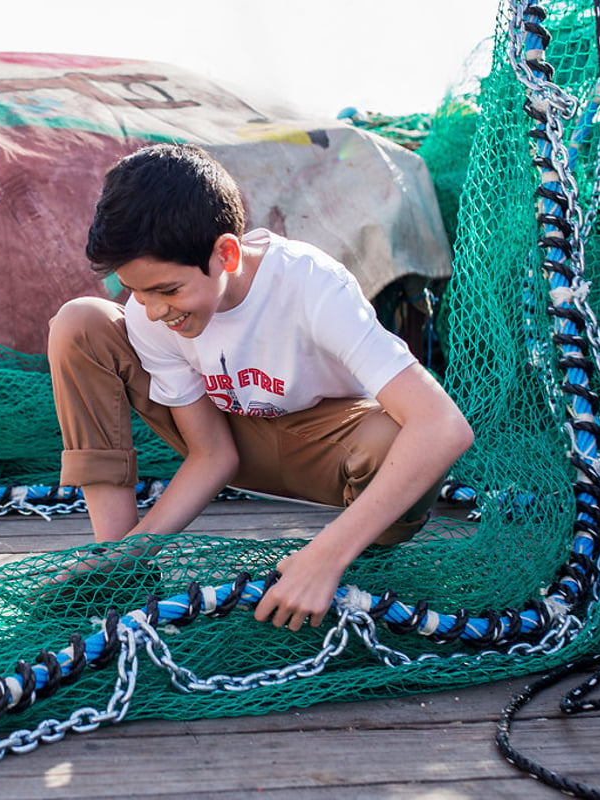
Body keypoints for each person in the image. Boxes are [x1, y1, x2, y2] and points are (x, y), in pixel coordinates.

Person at [47, 142, 473, 631]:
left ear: (225, 252)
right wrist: (132, 550)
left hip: (326, 449)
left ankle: (357, 561)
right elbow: (213, 456)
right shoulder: (151, 314)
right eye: (137, 291)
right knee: (81, 321)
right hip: (229, 439)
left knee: (399, 439)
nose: (154, 308)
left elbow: (444, 426)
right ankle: (120, 570)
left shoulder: (311, 286)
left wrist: (324, 556)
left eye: (168, 289)